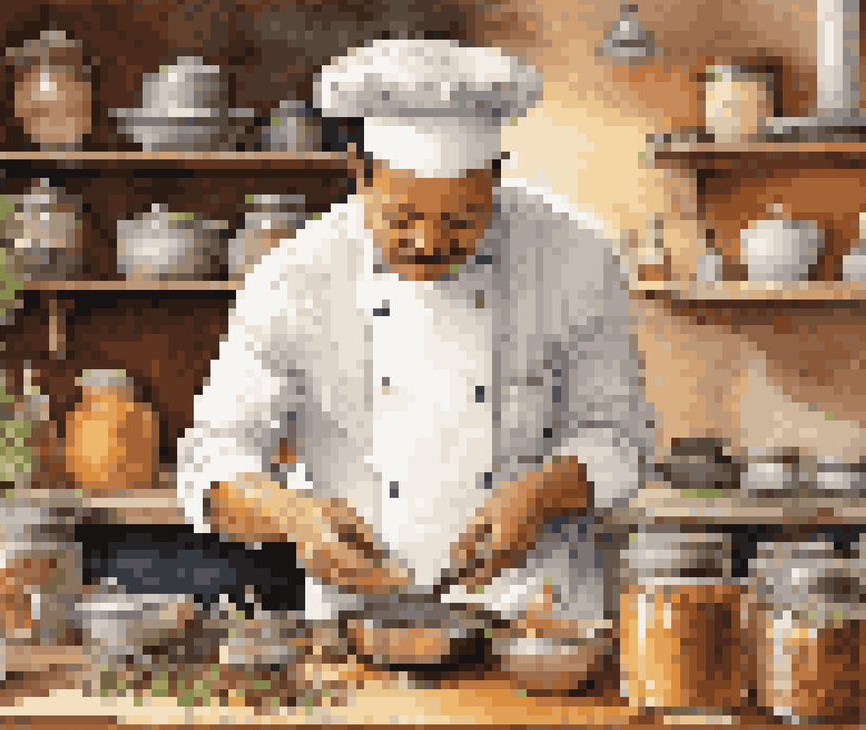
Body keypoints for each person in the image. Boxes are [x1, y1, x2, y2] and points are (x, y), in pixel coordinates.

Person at [178, 38, 655, 626]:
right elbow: (210, 457)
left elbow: (622, 438)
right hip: (361, 623)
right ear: (360, 174)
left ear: (496, 179)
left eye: (460, 220)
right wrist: (294, 516)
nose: (429, 244)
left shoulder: (576, 254)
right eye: (402, 217)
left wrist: (546, 492)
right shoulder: (296, 273)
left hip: (537, 620)